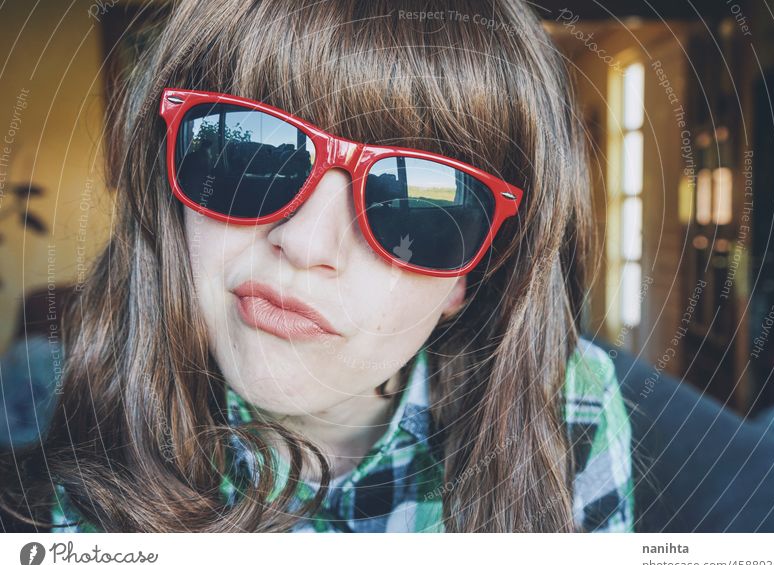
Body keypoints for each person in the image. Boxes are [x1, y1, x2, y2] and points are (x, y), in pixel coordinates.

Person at [0, 0, 633, 533]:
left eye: (413, 209)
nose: (303, 244)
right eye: (249, 151)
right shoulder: (73, 399)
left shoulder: (570, 406)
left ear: (472, 274)